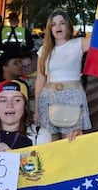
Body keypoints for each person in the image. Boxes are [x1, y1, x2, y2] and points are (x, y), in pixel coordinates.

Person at [34, 10, 91, 141]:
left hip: (72, 97)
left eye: (62, 23)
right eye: (53, 24)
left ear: (68, 26)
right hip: (49, 98)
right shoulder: (44, 50)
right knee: (50, 141)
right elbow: (40, 79)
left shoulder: (78, 43)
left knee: (71, 141)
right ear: (50, 28)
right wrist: (36, 109)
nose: (58, 27)